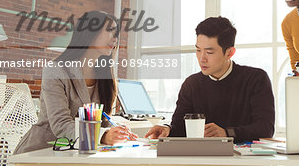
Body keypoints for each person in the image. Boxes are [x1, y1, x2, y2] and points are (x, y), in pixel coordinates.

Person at [14, 11, 137, 154]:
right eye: (110, 31)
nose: (115, 39)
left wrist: (115, 130)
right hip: (42, 151)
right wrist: (103, 135)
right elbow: (61, 124)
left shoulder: (105, 76)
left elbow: (103, 120)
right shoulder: (55, 70)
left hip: (79, 153)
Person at [144, 16, 275, 142]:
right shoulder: (192, 84)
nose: (202, 58)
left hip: (243, 160)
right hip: (202, 160)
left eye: (209, 52)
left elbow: (265, 129)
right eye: (198, 50)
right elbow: (180, 128)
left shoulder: (255, 79)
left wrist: (226, 133)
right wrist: (167, 129)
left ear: (229, 53)